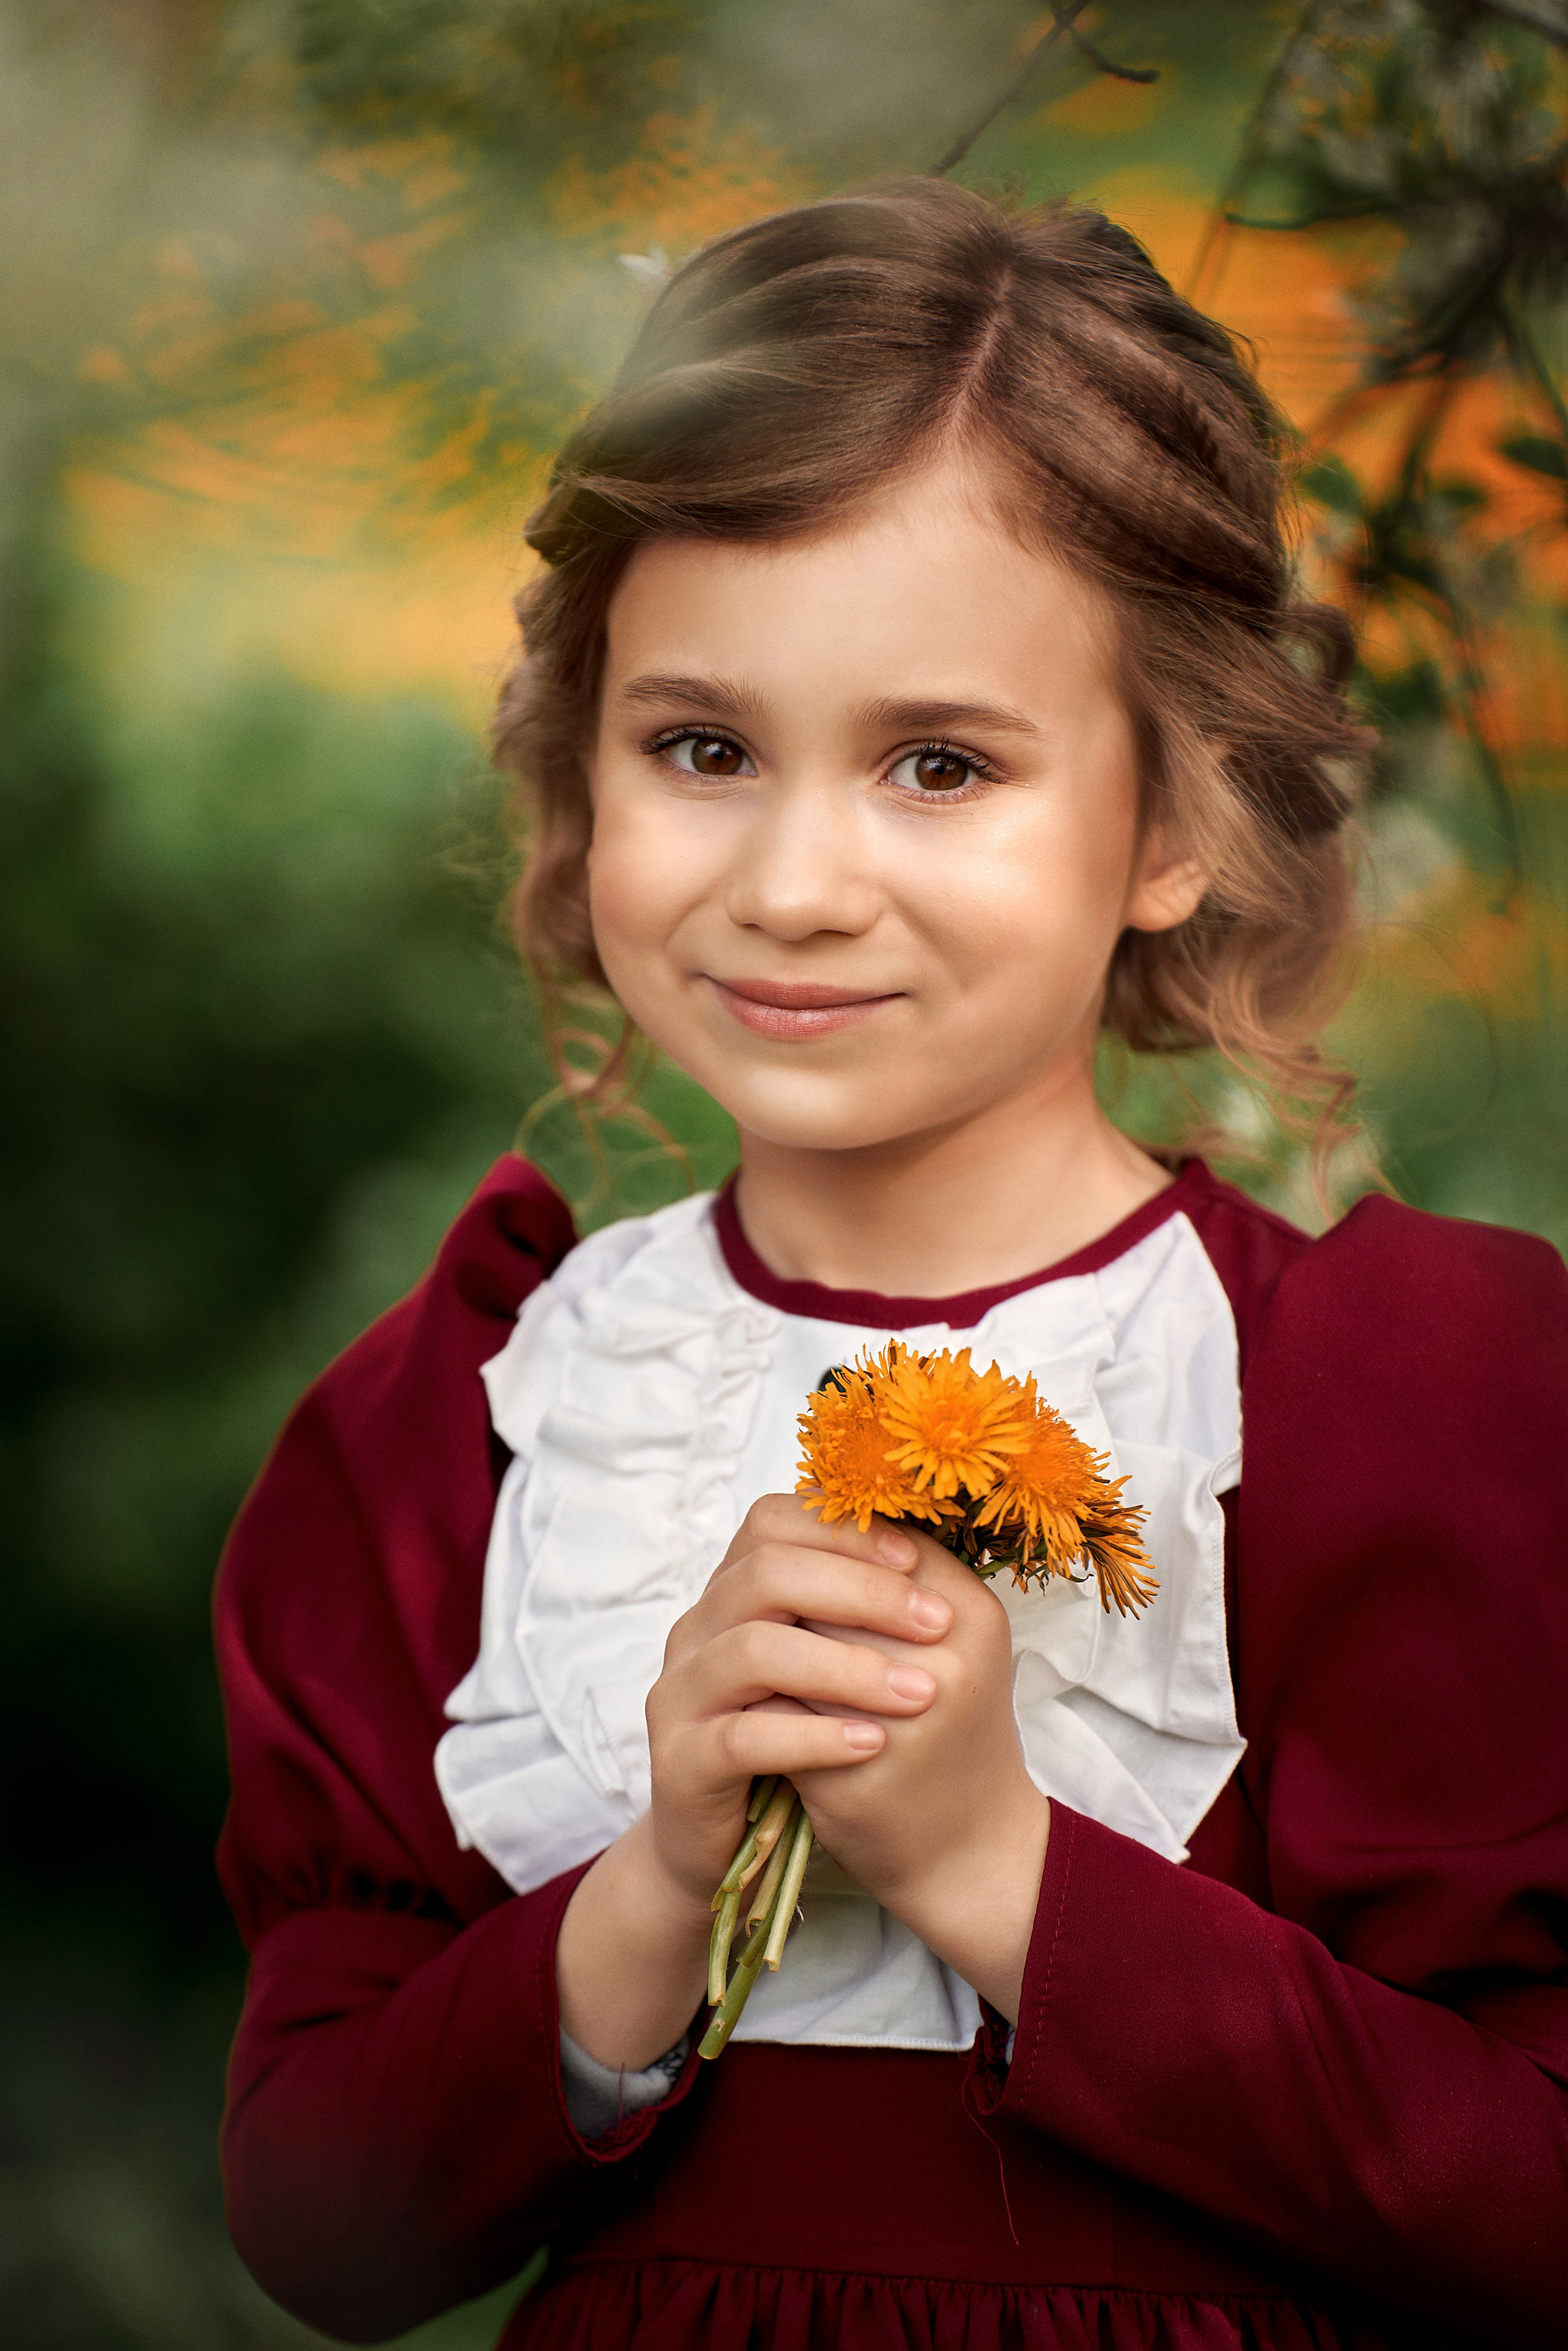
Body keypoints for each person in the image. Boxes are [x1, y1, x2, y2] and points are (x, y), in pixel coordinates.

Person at [213, 178, 1568, 2350]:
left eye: (940, 764)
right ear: (585, 761)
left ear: (1175, 821)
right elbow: (325, 2227)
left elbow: (1529, 2207)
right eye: (703, 748)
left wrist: (987, 1866)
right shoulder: (468, 1414)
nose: (795, 882)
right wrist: (659, 1881)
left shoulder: (1389, 1392)